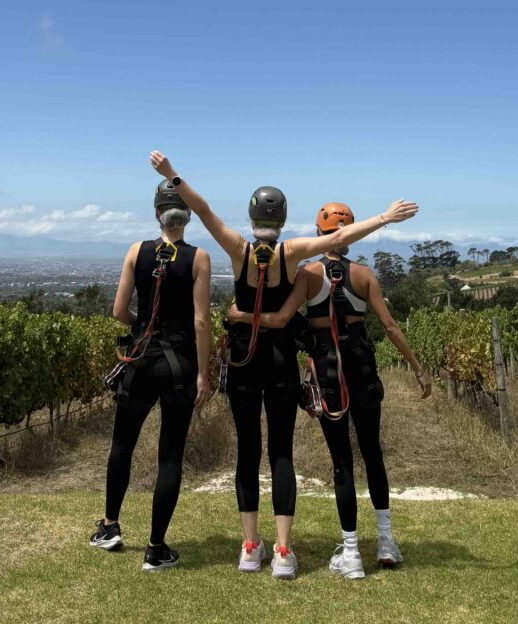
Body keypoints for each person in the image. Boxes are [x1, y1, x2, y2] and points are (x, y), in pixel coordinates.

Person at [149, 150, 419, 580]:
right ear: (285, 215)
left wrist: (173, 176)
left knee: (247, 453)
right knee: (280, 453)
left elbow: (202, 210)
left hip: (243, 360)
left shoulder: (238, 248)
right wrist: (384, 218)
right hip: (280, 362)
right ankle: (283, 551)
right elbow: (336, 242)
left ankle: (250, 547)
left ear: (252, 214)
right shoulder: (291, 253)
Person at [227, 202, 433, 580]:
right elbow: (389, 326)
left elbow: (281, 319)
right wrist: (418, 368)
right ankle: (385, 540)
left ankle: (352, 552)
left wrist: (240, 317)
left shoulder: (307, 275)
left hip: (327, 366)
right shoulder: (365, 275)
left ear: (319, 234)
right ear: (349, 233)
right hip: (362, 363)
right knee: (373, 452)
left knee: (342, 462)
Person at [88, 177, 212, 572]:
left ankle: (109, 528)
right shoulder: (199, 258)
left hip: (139, 361)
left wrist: (144, 325)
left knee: (122, 442)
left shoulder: (135, 251)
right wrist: (204, 374)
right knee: (170, 455)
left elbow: (119, 311)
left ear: (156, 213)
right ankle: (156, 548)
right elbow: (201, 321)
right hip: (179, 367)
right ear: (187, 216)